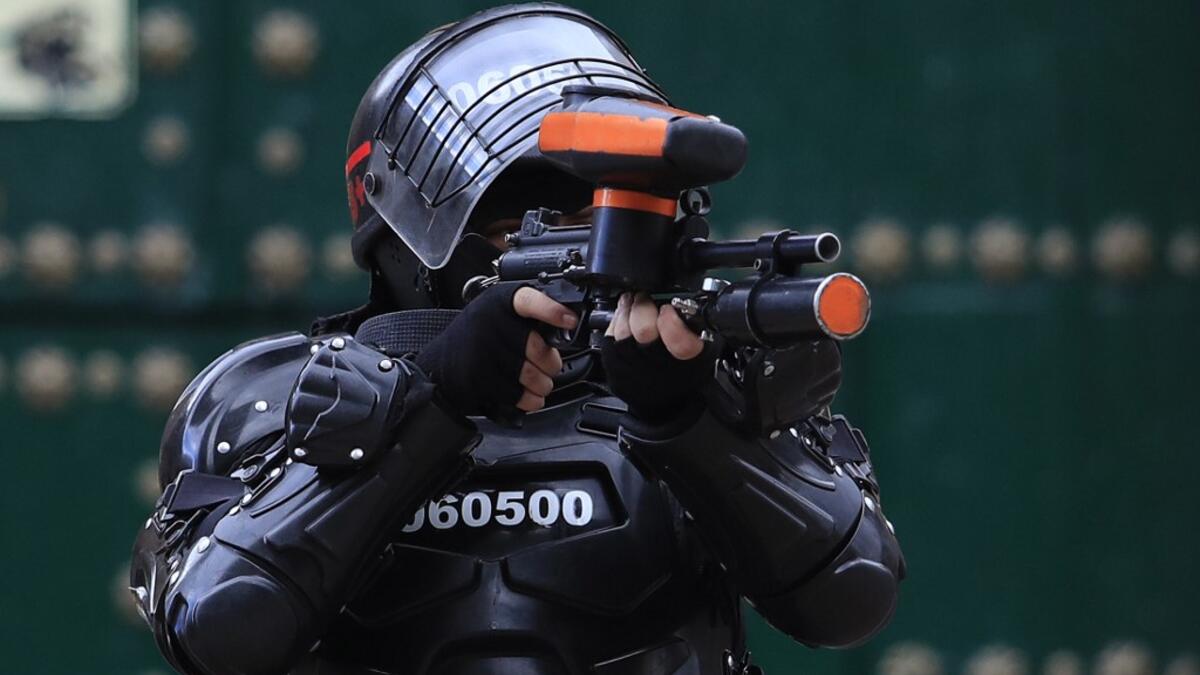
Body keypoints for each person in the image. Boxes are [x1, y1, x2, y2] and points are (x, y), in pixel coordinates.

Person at [129, 5, 904, 674]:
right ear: (408, 238)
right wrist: (431, 399)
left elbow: (851, 594)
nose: (591, 255)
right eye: (523, 225)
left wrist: (691, 422)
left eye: (603, 221)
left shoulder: (702, 374)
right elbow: (223, 624)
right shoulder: (275, 396)